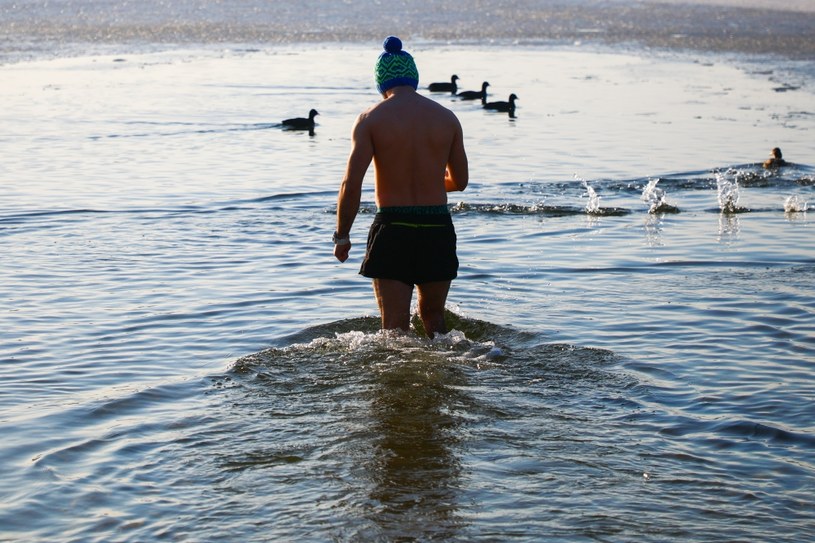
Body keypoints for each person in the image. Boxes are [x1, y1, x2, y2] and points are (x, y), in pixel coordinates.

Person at [333, 36, 469, 338]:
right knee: (434, 321)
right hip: (437, 227)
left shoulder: (371, 119)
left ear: (382, 84)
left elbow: (350, 184)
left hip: (393, 227)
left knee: (394, 330)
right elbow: (459, 182)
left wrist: (342, 236)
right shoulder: (447, 118)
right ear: (414, 79)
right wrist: (429, 182)